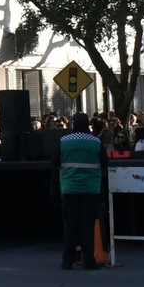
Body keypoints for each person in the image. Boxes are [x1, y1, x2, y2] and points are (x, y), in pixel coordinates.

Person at [59, 113, 106, 270]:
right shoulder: (96, 142)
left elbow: (54, 162)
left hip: (69, 188)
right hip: (90, 189)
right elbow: (105, 163)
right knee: (88, 227)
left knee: (70, 226)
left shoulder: (64, 141)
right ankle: (88, 261)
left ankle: (68, 261)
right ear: (88, 125)